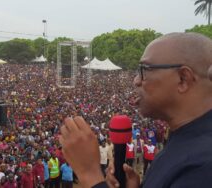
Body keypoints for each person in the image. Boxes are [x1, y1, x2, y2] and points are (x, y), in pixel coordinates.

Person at [59, 32, 212, 188]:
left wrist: (90, 175)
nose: (136, 80)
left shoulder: (203, 166)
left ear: (183, 79)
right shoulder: (185, 141)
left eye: (144, 70)